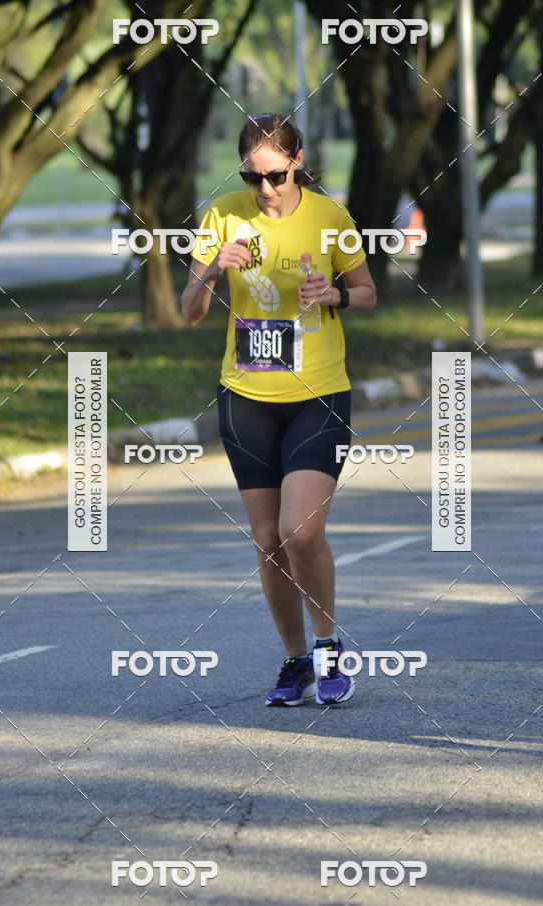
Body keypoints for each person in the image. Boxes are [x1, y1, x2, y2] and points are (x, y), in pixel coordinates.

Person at [182, 113, 376, 706]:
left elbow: (368, 293)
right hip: (246, 398)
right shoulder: (223, 216)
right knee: (267, 540)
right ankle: (294, 662)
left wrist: (335, 294)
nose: (264, 188)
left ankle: (327, 645)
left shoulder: (329, 217)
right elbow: (188, 310)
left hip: (318, 394)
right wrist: (215, 268)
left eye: (275, 174)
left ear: (296, 163)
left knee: (300, 531)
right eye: (252, 175)